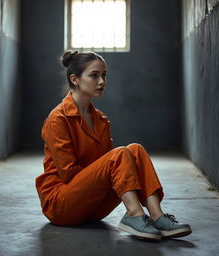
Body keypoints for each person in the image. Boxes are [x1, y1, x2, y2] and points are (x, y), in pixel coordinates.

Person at [35, 50, 192, 241]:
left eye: (103, 75)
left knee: (135, 149)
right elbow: (70, 173)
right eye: (94, 75)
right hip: (62, 205)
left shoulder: (100, 119)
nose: (101, 81)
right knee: (119, 155)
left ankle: (156, 215)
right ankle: (134, 214)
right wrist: (101, 174)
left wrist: (105, 174)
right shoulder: (57, 119)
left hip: (92, 207)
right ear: (75, 79)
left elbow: (112, 170)